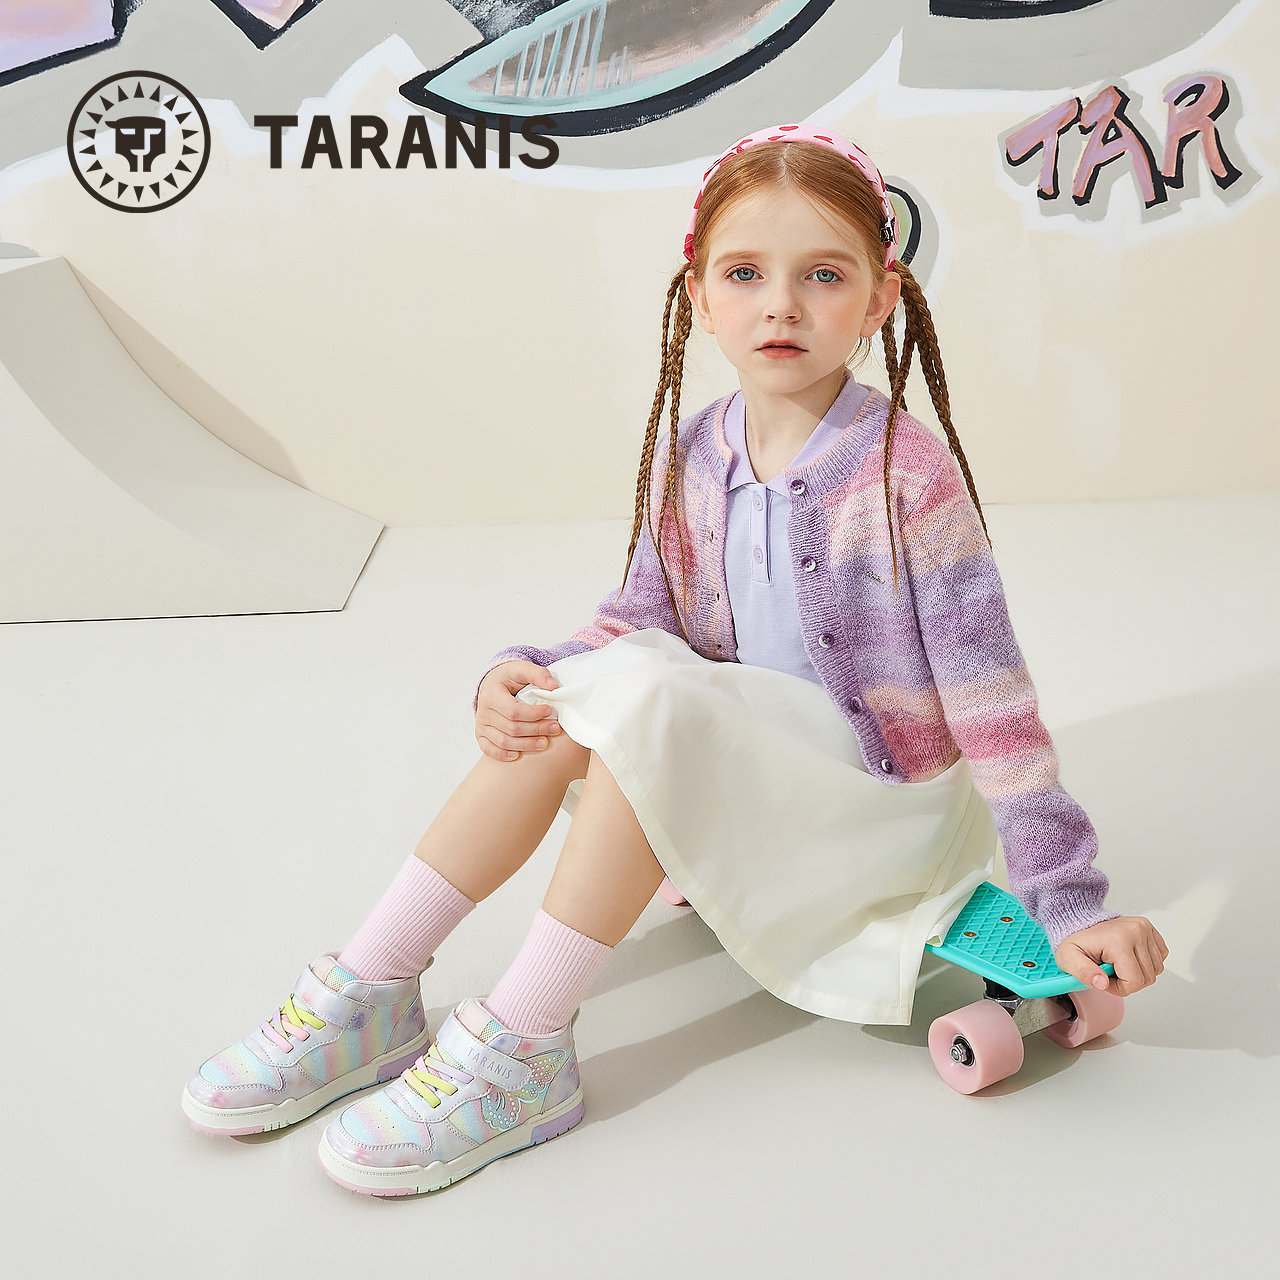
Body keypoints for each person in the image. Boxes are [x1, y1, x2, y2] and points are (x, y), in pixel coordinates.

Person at [181, 122, 1168, 1195]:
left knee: (651, 702)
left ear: (879, 299)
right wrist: (540, 669)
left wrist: (1067, 898)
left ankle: (523, 1046)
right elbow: (642, 617)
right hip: (742, 765)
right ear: (698, 295)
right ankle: (371, 985)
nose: (780, 305)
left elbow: (992, 703)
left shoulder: (905, 476)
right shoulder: (695, 447)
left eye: (822, 275)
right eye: (744, 274)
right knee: (585, 698)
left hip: (876, 811)